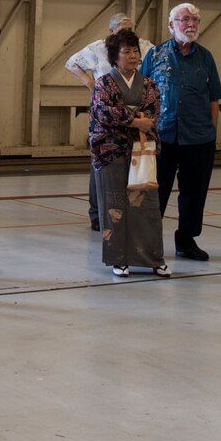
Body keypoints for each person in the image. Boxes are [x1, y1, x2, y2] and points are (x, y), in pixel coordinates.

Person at [140, 2, 221, 262]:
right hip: (162, 136)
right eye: (184, 19)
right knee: (156, 192)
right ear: (171, 25)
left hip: (199, 137)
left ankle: (186, 241)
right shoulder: (155, 55)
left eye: (195, 20)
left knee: (194, 192)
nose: (191, 24)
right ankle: (149, 242)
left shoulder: (206, 57)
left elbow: (213, 99)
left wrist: (211, 134)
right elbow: (142, 95)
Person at [88, 28, 167, 278]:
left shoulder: (149, 83)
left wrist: (134, 120)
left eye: (135, 51)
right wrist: (135, 121)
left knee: (147, 205)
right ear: (115, 57)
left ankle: (153, 258)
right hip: (111, 152)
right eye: (126, 51)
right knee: (114, 204)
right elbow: (103, 112)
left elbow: (153, 110)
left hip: (141, 150)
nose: (132, 56)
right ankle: (118, 259)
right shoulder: (104, 83)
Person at [67, 13, 133, 230]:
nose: (126, 34)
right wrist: (89, 82)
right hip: (103, 116)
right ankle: (96, 214)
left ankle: (124, 210)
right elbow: (72, 63)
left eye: (129, 29)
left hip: (128, 114)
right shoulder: (98, 48)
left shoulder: (140, 46)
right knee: (100, 162)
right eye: (122, 29)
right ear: (111, 30)